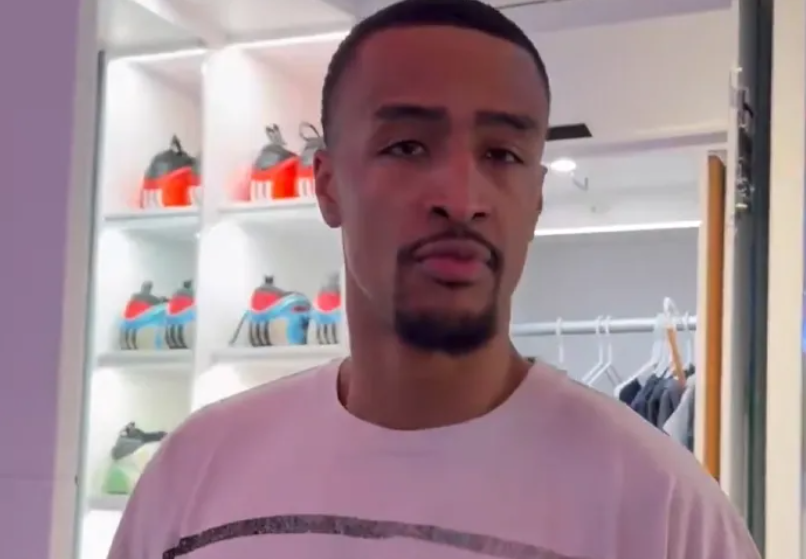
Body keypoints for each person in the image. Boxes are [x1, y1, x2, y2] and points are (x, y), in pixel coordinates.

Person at [108, 1, 761, 558]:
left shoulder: (664, 511)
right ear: (328, 186)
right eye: (407, 147)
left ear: (536, 197)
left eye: (501, 154)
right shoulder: (194, 474)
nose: (461, 197)